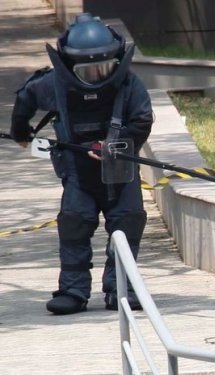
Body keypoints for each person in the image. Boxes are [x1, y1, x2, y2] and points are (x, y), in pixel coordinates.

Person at [10, 13, 154, 315]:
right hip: (77, 173)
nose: (97, 77)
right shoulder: (52, 84)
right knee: (75, 222)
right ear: (70, 66)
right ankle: (73, 291)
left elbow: (142, 121)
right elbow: (26, 97)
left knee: (128, 220)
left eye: (104, 68)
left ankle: (121, 289)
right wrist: (21, 129)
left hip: (121, 171)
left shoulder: (130, 85)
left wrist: (115, 144)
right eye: (88, 71)